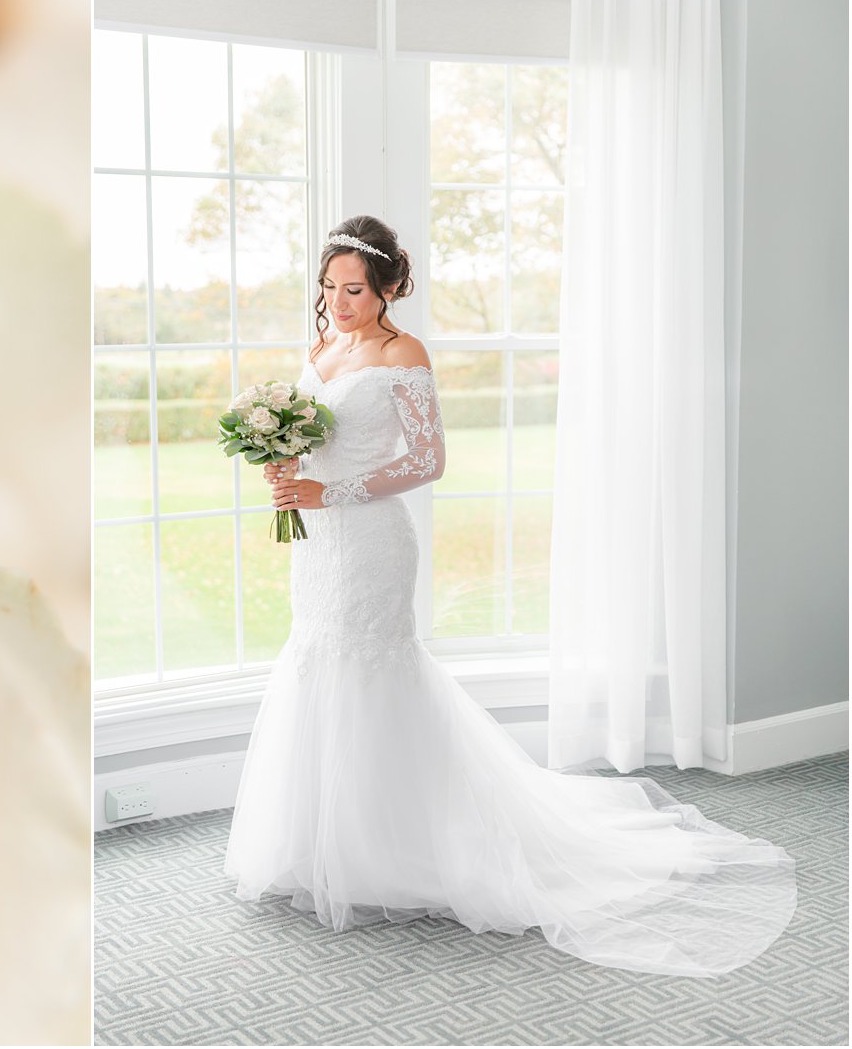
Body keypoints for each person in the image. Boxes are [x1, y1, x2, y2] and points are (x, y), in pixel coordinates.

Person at [222, 214, 796, 977]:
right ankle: (321, 843)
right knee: (316, 660)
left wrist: (335, 491)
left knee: (374, 667)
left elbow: (428, 460)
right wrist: (284, 467)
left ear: (389, 285)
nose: (339, 301)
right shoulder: (322, 347)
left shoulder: (404, 354)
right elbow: (312, 440)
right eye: (328, 287)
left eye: (354, 288)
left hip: (369, 543)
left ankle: (401, 848)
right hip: (318, 543)